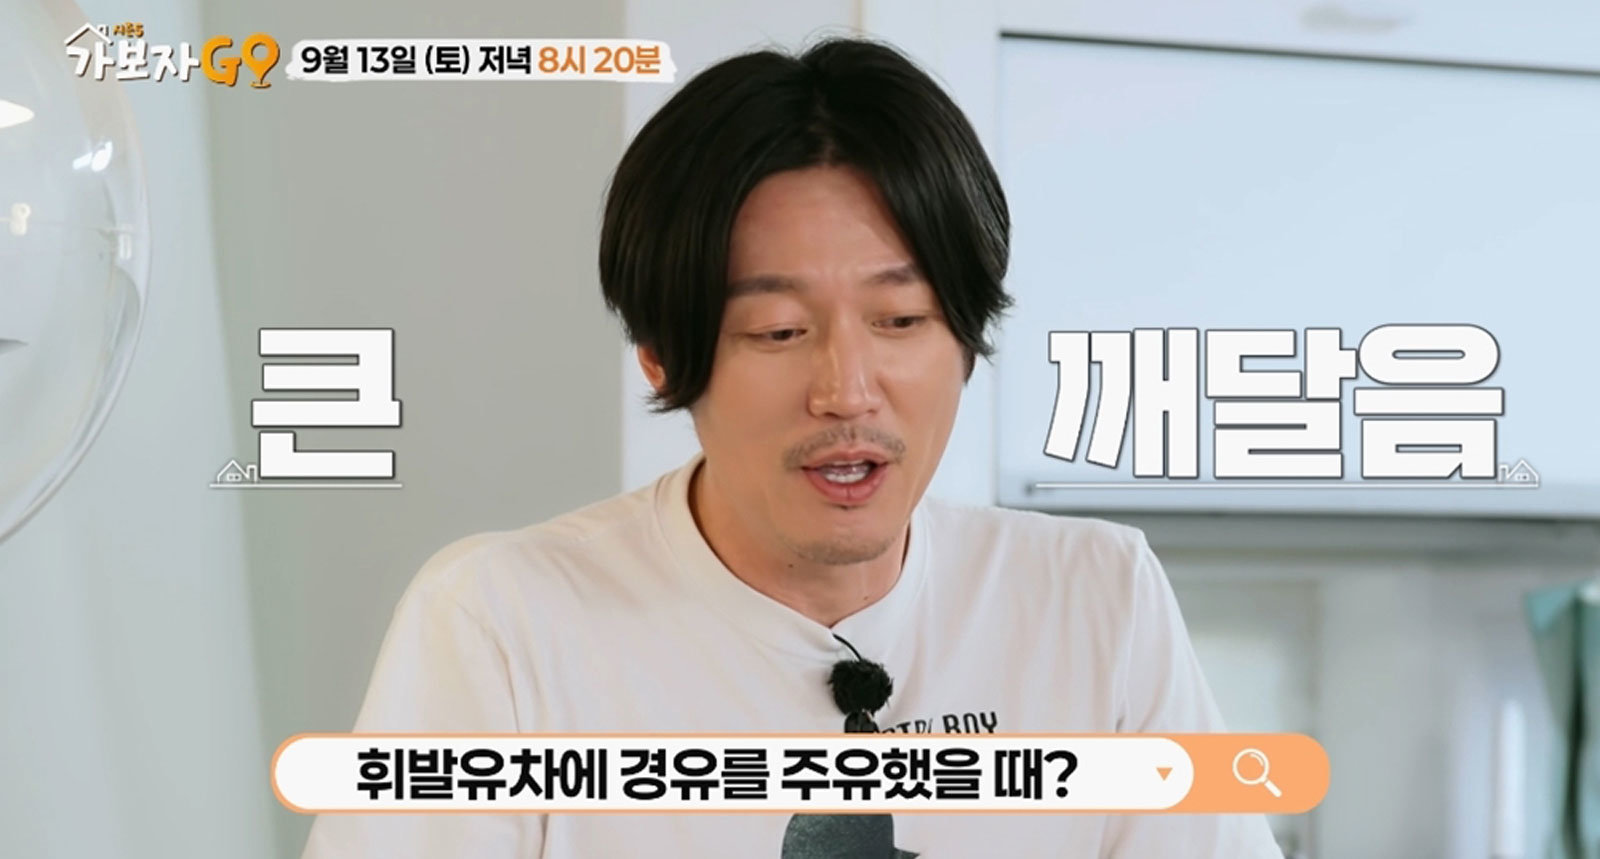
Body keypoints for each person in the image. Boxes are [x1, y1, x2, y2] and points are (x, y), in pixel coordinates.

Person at [302, 37, 1283, 858]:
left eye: (902, 319)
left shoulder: (1094, 595)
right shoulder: (503, 621)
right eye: (777, 330)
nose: (846, 390)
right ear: (661, 353)